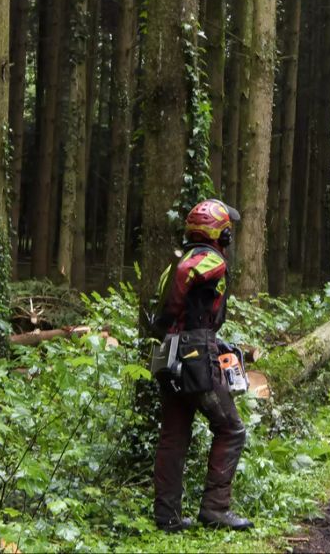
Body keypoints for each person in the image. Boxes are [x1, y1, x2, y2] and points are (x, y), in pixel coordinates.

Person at [147, 199, 253, 533]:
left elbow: (178, 308)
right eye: (227, 229)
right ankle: (215, 509)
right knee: (231, 429)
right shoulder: (207, 260)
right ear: (217, 232)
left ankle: (167, 516)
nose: (229, 236)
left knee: (174, 435)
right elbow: (182, 283)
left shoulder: (180, 261)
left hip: (172, 350)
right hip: (194, 356)